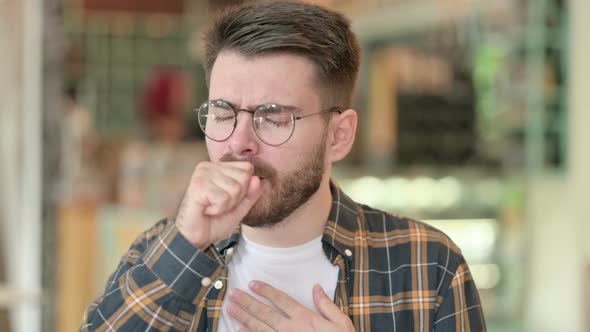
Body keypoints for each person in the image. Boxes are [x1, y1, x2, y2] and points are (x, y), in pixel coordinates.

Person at [81, 1, 486, 331]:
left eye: (274, 117)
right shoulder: (158, 250)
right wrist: (186, 249)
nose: (238, 142)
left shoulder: (426, 266)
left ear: (338, 135)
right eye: (223, 113)